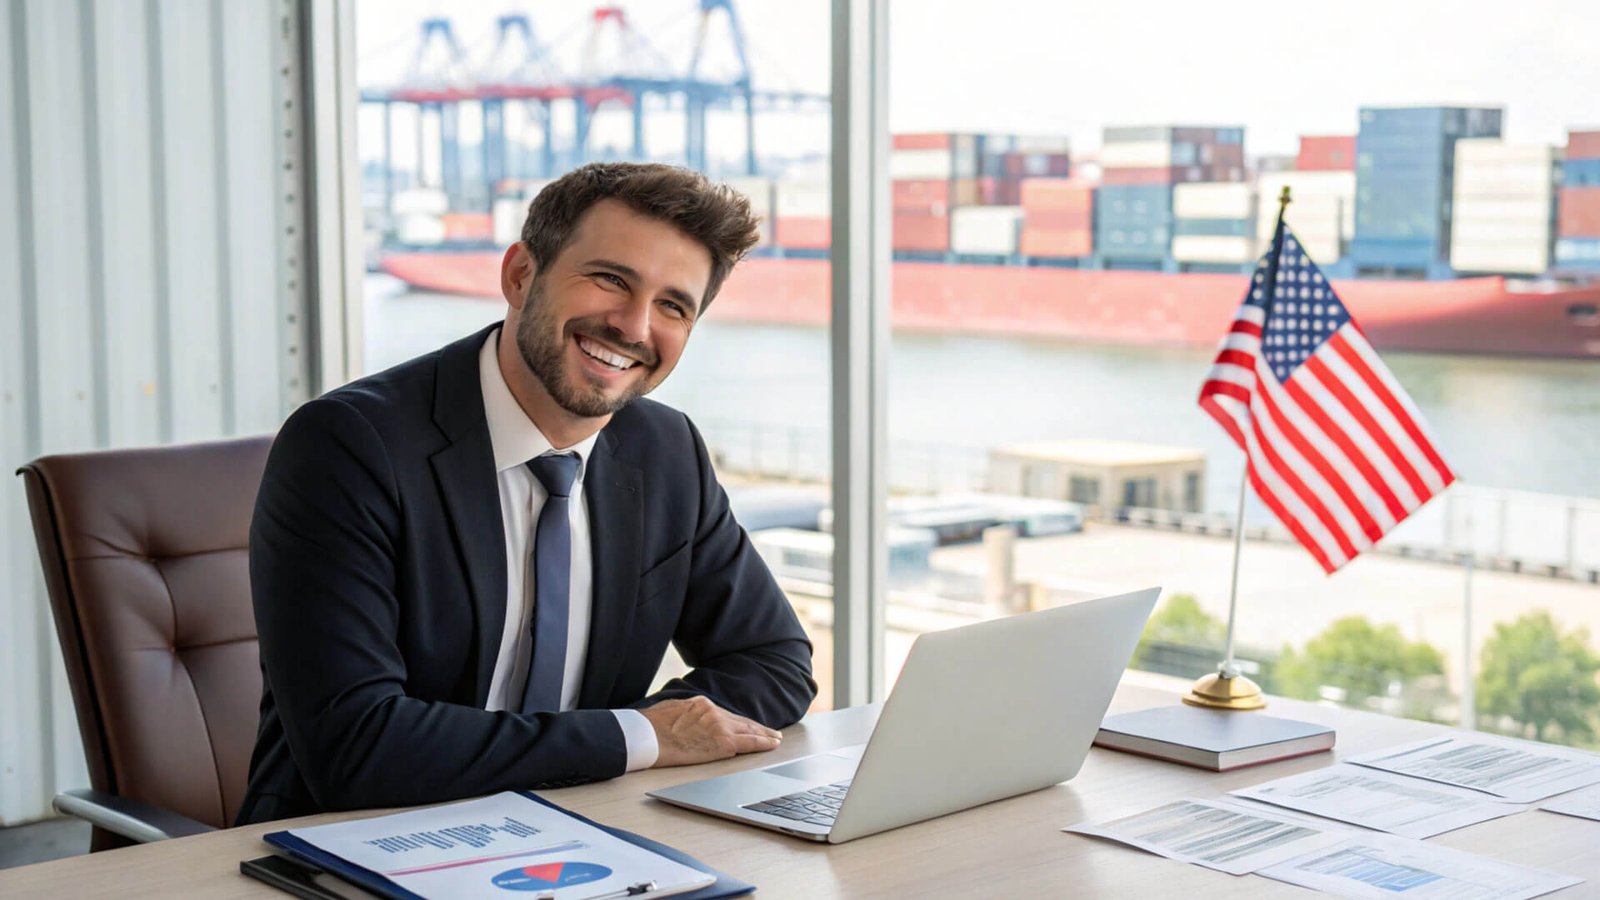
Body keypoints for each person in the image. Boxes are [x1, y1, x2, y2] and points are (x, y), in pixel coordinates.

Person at [237, 163, 817, 825]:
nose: (633, 325)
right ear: (520, 275)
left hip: (583, 830)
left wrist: (631, 743)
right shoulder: (349, 446)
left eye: (672, 307)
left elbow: (776, 661)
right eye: (610, 280)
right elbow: (356, 747)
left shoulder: (666, 451)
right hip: (352, 844)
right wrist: (643, 735)